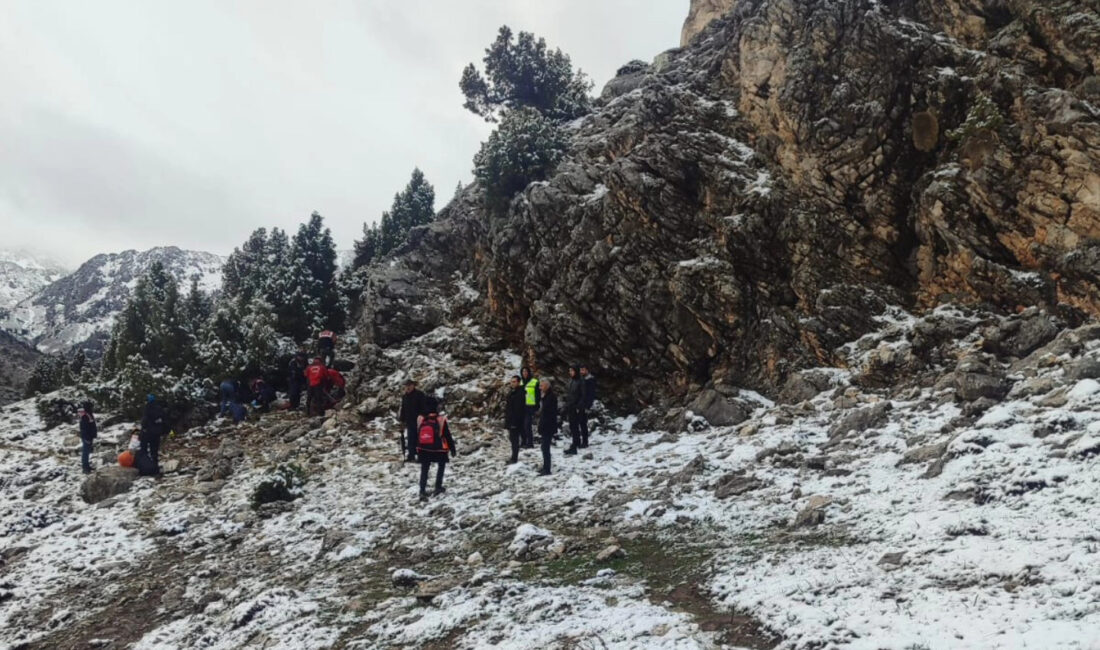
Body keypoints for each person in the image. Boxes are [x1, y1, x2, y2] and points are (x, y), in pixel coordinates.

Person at [415, 397, 456, 501]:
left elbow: (416, 434)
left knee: (424, 469)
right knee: (441, 466)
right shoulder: (440, 419)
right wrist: (452, 448)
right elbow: (447, 435)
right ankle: (438, 486)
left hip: (423, 448)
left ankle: (422, 490)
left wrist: (415, 447)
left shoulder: (420, 418)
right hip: (438, 449)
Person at [399, 380, 427, 462]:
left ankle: (421, 456)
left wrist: (423, 416)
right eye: (406, 386)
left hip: (419, 421)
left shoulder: (420, 394)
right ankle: (411, 456)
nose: (408, 387)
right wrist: (402, 420)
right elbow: (403, 409)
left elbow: (424, 407)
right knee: (410, 439)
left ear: (413, 386)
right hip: (409, 421)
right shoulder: (405, 396)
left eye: (409, 385)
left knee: (420, 439)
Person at [140, 394, 167, 474]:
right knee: (154, 451)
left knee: (144, 450)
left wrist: (143, 428)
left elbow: (145, 420)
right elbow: (164, 420)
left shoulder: (148, 407)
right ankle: (155, 468)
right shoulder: (160, 408)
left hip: (148, 432)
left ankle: (145, 468)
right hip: (157, 433)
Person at [537, 380, 558, 476]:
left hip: (548, 425)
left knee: (545, 448)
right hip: (545, 424)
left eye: (541, 386)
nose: (540, 388)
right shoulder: (546, 396)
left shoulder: (550, 397)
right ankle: (545, 467)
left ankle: (547, 469)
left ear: (547, 386)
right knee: (544, 447)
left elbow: (548, 411)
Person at [504, 375, 526, 465]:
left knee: (514, 440)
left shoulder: (520, 393)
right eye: (511, 382)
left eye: (514, 382)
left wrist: (514, 422)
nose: (512, 383)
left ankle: (514, 458)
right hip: (511, 419)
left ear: (518, 382)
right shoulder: (513, 392)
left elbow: (518, 410)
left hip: (515, 421)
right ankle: (513, 457)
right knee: (512, 439)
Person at [563, 366, 584, 455]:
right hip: (570, 406)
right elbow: (569, 393)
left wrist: (579, 406)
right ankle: (576, 442)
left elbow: (583, 395)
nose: (570, 372)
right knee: (572, 425)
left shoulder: (580, 381)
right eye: (569, 371)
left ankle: (576, 443)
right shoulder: (571, 381)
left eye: (572, 371)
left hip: (576, 406)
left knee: (575, 425)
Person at [521, 367, 539, 449]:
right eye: (523, 371)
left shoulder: (534, 382)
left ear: (529, 372)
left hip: (530, 406)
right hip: (521, 406)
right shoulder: (520, 382)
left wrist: (536, 405)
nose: (524, 373)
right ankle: (523, 442)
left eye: (526, 371)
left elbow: (538, 395)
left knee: (527, 425)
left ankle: (530, 443)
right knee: (521, 425)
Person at [580, 364, 597, 447]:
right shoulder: (581, 379)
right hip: (580, 404)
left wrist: (588, 406)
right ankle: (581, 441)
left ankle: (585, 442)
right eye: (581, 370)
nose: (581, 372)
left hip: (585, 405)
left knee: (583, 424)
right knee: (580, 423)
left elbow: (591, 394)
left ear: (587, 370)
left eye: (583, 370)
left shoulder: (590, 380)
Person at [78, 401, 97, 474]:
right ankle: (85, 468)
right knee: (85, 453)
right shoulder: (85, 416)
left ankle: (87, 466)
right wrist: (87, 438)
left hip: (89, 436)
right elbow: (84, 429)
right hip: (87, 437)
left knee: (87, 452)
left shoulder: (88, 414)